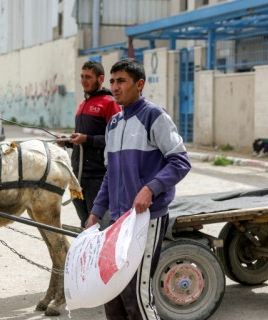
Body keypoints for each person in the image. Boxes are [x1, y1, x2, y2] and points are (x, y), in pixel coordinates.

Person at [86, 58, 191, 319]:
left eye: (121, 81)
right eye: (112, 81)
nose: (115, 86)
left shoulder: (154, 116)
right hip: (118, 221)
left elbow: (181, 161)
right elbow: (110, 175)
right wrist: (96, 212)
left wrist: (151, 189)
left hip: (148, 219)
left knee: (138, 298)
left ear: (139, 84)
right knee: (113, 294)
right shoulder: (114, 124)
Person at [60, 60, 121, 229]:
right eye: (82, 76)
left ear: (100, 79)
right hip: (78, 177)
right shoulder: (83, 104)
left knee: (99, 225)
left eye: (88, 77)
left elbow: (116, 140)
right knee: (84, 224)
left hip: (97, 177)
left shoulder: (109, 103)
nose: (84, 80)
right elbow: (82, 140)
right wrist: (68, 141)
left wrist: (87, 139)